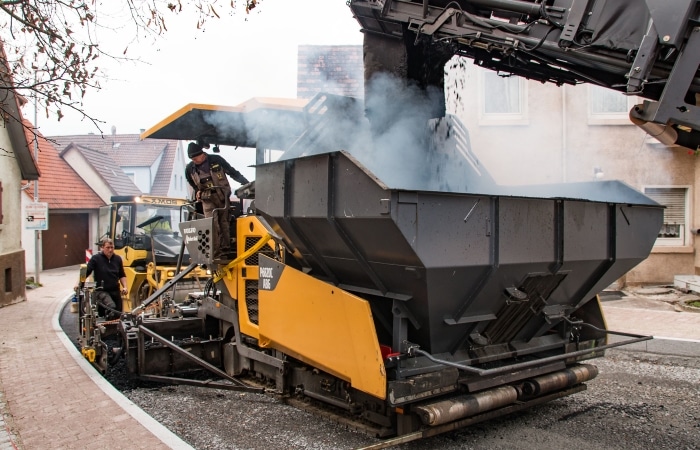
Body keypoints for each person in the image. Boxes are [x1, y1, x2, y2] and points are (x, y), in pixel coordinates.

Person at [185, 142, 249, 258]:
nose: (194, 161)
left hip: (222, 196)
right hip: (207, 199)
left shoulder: (216, 160)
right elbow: (190, 181)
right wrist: (197, 190)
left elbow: (232, 172)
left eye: (195, 158)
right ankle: (214, 252)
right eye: (192, 159)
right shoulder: (190, 168)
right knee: (211, 223)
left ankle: (225, 249)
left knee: (224, 222)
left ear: (202, 154)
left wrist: (246, 183)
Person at [85, 238, 127, 319]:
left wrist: (125, 287)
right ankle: (106, 325)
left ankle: (116, 329)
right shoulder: (96, 259)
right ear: (102, 248)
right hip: (101, 291)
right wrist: (78, 283)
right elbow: (86, 271)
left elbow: (122, 274)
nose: (110, 250)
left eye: (112, 247)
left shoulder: (118, 259)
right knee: (111, 307)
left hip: (115, 290)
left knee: (118, 313)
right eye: (108, 247)